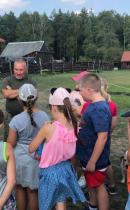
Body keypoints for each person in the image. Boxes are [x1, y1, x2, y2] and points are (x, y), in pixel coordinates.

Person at [28, 87, 86, 210]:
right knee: (61, 201)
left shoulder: (48, 128)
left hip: (49, 173)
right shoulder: (74, 126)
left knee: (45, 205)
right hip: (65, 169)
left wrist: (42, 132)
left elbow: (31, 148)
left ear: (53, 107)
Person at [7, 83, 50, 210]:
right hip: (37, 159)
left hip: (20, 160)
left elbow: (11, 143)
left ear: (19, 99)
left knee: (20, 187)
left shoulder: (16, 120)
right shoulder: (45, 116)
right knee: (33, 190)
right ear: (36, 97)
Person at [76, 74, 112, 210]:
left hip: (94, 158)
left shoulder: (98, 109)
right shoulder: (94, 105)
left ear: (89, 91)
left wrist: (92, 161)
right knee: (92, 184)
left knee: (99, 186)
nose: (79, 93)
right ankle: (93, 206)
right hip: (88, 154)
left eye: (80, 90)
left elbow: (102, 137)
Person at [2, 59, 37, 140]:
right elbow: (6, 94)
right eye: (16, 69)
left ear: (26, 69)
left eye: (21, 70)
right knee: (8, 139)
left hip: (27, 116)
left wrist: (11, 91)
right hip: (10, 116)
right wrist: (25, 90)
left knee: (25, 139)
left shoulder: (31, 80)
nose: (18, 72)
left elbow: (33, 95)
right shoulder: (7, 80)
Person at [70, 71, 90, 188]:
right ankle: (73, 173)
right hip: (73, 127)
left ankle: (84, 175)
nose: (76, 84)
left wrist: (73, 110)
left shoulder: (87, 96)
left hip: (84, 128)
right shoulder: (73, 93)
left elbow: (81, 112)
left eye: (78, 82)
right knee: (73, 152)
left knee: (84, 153)